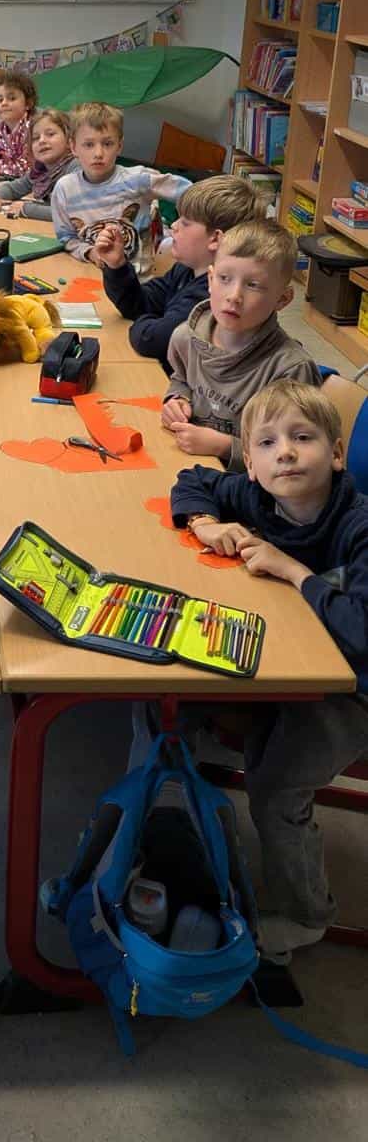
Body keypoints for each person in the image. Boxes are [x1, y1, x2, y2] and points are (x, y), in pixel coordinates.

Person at [171, 380, 368, 962]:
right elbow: (194, 479)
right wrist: (204, 523)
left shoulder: (359, 526)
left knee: (276, 789)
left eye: (302, 438)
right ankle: (168, 826)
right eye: (267, 443)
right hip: (296, 660)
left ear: (336, 454)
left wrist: (293, 571)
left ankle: (307, 915)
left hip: (355, 691)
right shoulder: (258, 496)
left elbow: (362, 633)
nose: (285, 452)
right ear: (251, 466)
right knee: (175, 693)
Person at [162, 219, 322, 470]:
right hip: (191, 466)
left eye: (253, 285)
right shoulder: (185, 338)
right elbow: (181, 378)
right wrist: (177, 399)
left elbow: (297, 459)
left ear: (283, 299)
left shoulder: (290, 370)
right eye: (225, 278)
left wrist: (225, 447)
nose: (234, 296)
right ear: (210, 279)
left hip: (252, 488)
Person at [95, 174, 266, 373]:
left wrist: (149, 321)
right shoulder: (187, 269)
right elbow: (140, 304)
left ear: (214, 239)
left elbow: (151, 340)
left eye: (185, 222)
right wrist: (117, 266)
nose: (174, 226)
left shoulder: (212, 295)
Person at [50, 102, 190, 275]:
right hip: (90, 274)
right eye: (89, 144)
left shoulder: (138, 179)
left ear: (120, 146)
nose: (98, 153)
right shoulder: (64, 189)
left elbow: (195, 193)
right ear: (73, 147)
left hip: (138, 280)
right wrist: (90, 252)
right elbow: (67, 238)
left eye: (108, 143)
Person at [0, 108, 74, 222]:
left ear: (69, 141)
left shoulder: (75, 169)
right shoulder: (40, 170)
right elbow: (13, 188)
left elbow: (72, 213)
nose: (42, 141)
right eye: (35, 138)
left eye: (50, 134)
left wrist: (27, 209)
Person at [0, 68, 37, 178]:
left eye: (12, 98)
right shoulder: (1, 130)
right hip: (10, 176)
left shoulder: (35, 128)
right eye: (0, 100)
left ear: (28, 103)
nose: (4, 103)